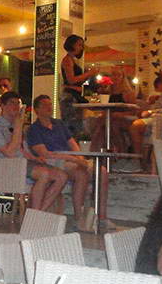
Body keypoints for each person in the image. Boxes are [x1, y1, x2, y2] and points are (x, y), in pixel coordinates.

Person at [27, 94, 112, 230]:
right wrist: (73, 159)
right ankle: (79, 218)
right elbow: (44, 153)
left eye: (50, 104)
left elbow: (72, 144)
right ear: (37, 109)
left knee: (101, 172)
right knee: (80, 173)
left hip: (71, 159)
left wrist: (80, 158)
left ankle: (102, 217)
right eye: (44, 105)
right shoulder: (34, 129)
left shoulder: (59, 124)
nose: (49, 107)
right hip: (54, 161)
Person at [0, 92, 67, 212]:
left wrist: (34, 158)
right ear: (2, 105)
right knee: (44, 174)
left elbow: (21, 150)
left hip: (23, 163)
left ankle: (38, 212)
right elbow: (10, 153)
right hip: (5, 166)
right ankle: (35, 213)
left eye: (17, 103)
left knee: (62, 176)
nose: (15, 106)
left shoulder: (14, 125)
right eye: (11, 103)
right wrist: (18, 127)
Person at [59, 34, 100, 138]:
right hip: (70, 97)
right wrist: (89, 74)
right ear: (72, 45)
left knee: (77, 126)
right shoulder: (67, 60)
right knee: (72, 127)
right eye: (79, 45)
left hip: (74, 95)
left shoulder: (72, 60)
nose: (81, 48)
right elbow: (71, 80)